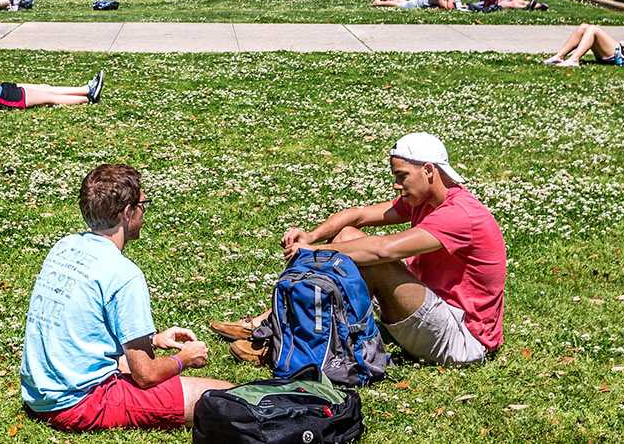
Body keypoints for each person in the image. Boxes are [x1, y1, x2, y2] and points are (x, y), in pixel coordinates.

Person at [213, 133, 506, 369]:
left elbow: (384, 251)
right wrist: (313, 235)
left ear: (429, 170)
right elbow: (358, 216)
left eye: (402, 176)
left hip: (463, 339)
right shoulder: (426, 201)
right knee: (348, 237)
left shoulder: (460, 214)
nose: (396, 184)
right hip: (431, 312)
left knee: (373, 261)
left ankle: (287, 340)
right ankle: (276, 326)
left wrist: (312, 251)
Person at [21, 164, 235, 432]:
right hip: (79, 403)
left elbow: (87, 329)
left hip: (40, 393)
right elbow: (144, 375)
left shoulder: (65, 246)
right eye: (143, 205)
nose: (144, 213)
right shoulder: (123, 273)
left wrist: (153, 339)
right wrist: (185, 359)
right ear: (127, 212)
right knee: (226, 398)